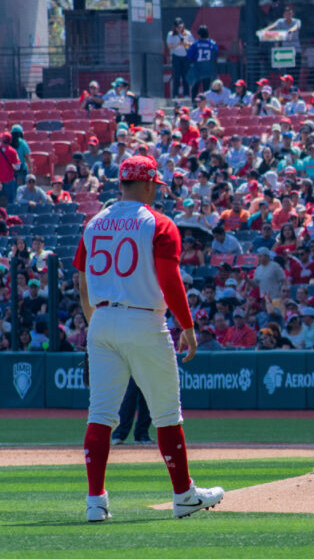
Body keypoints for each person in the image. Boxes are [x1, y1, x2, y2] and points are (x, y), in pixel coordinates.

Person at [72, 155, 222, 522]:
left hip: (102, 318)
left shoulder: (94, 223)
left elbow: (81, 280)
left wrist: (96, 324)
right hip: (143, 319)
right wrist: (187, 326)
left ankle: (95, 501)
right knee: (168, 414)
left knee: (101, 414)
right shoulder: (157, 222)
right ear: (150, 183)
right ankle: (184, 494)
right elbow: (170, 281)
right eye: (156, 184)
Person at [110, 378, 152, 445]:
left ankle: (141, 435)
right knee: (129, 396)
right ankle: (119, 435)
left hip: (149, 369)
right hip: (131, 370)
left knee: (147, 397)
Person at [186, 25, 218, 100]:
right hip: (208, 68)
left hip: (198, 68)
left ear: (199, 34)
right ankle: (205, 103)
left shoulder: (195, 44)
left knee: (195, 86)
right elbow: (215, 56)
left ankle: (194, 102)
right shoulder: (212, 44)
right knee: (206, 88)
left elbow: (190, 56)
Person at [166, 17, 193, 99]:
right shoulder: (171, 34)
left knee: (185, 76)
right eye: (177, 27)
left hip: (185, 57)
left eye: (180, 27)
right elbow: (170, 46)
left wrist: (186, 43)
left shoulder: (187, 33)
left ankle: (186, 94)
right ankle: (175, 94)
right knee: (176, 76)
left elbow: (192, 44)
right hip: (176, 57)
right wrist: (178, 44)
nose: (179, 29)